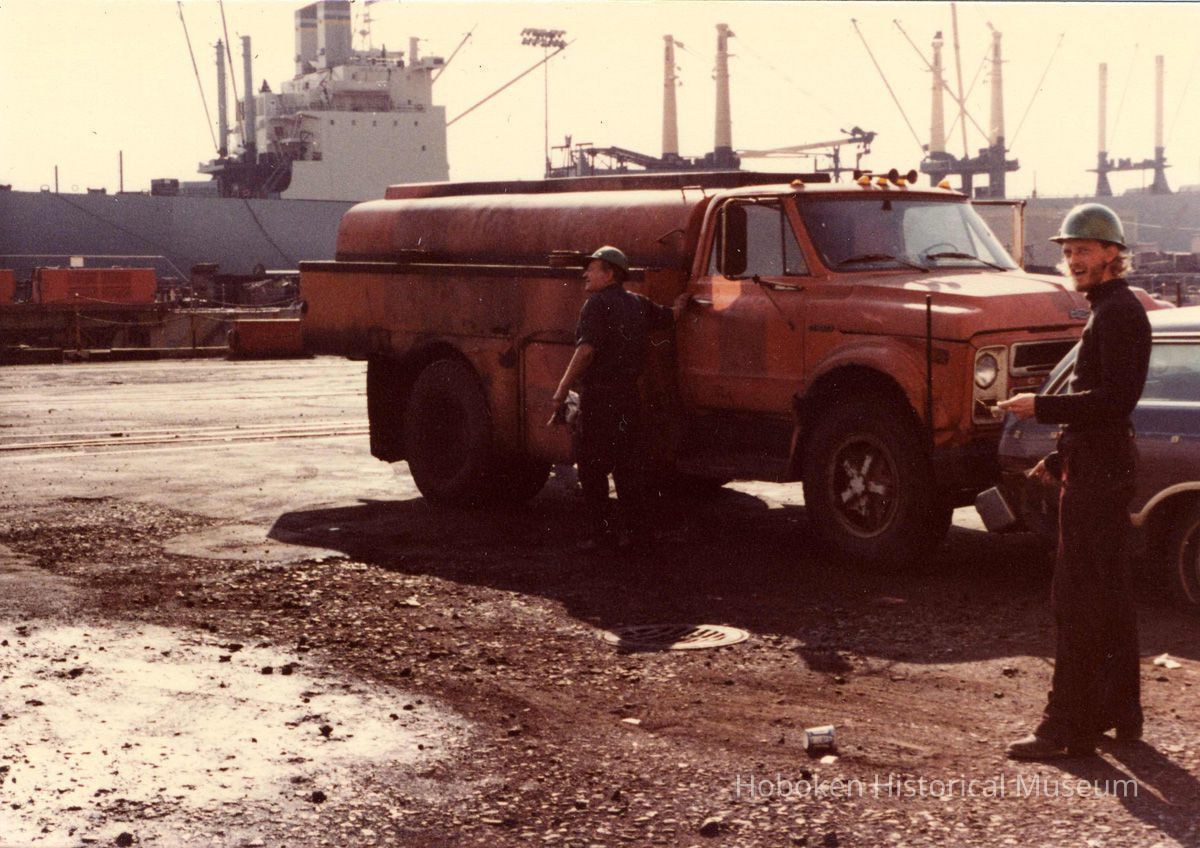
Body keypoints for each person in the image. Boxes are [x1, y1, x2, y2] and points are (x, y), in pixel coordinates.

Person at [998, 203, 1152, 759]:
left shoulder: (1117, 313)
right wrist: (1063, 459)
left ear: (1113, 254)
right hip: (1097, 468)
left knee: (1077, 598)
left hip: (1099, 477)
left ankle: (1065, 729)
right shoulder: (1110, 309)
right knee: (1107, 594)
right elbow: (1109, 410)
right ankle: (1119, 712)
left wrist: (1040, 406)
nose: (1073, 260)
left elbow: (1114, 400)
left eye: (1083, 250)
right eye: (1068, 252)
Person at [548, 245, 690, 551]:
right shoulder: (638, 303)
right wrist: (683, 301)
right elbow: (672, 316)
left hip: (599, 402)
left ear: (609, 273)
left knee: (592, 469)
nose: (585, 273)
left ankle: (603, 537)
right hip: (628, 401)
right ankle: (639, 535)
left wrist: (561, 391)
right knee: (628, 467)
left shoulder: (595, 305)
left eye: (592, 268)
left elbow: (585, 351)